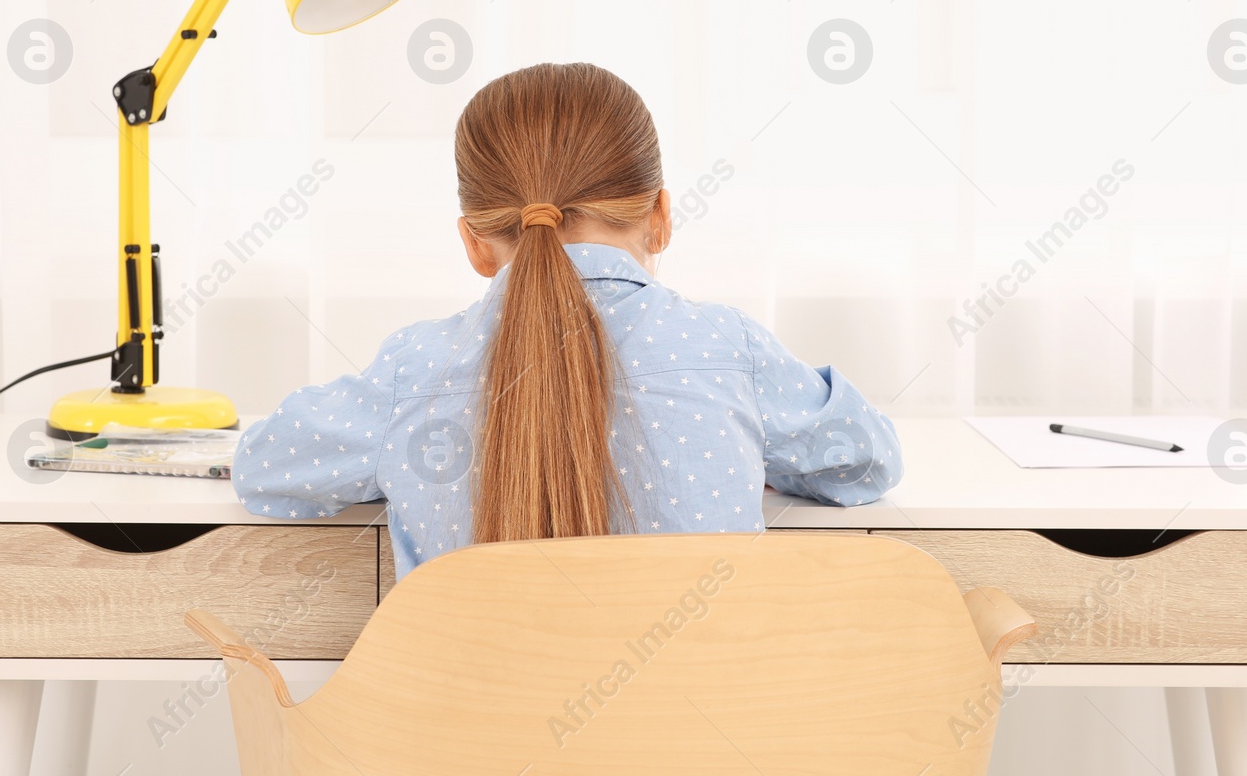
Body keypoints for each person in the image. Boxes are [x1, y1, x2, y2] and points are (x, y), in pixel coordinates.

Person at [233, 62, 901, 580]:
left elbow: (262, 468)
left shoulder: (416, 371)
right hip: (697, 754)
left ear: (473, 241)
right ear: (662, 215)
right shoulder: (728, 352)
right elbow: (868, 460)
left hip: (467, 756)